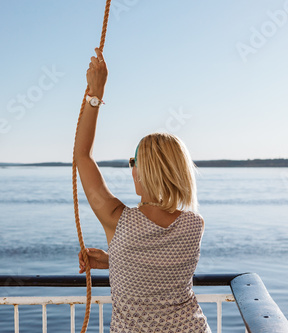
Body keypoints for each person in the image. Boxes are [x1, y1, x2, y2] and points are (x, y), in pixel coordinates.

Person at [75, 48, 211, 332]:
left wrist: (95, 94)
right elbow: (160, 270)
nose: (131, 169)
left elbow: (82, 157)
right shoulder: (194, 225)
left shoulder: (118, 219)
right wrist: (115, 261)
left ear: (143, 170)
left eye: (132, 162)